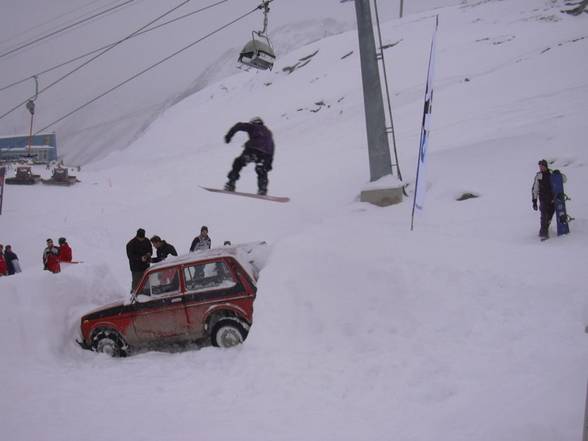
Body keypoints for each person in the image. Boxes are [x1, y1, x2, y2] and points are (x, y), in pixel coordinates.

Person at [224, 117, 275, 195]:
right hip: (266, 154)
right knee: (261, 169)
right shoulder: (269, 132)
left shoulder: (253, 126)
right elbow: (272, 147)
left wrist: (228, 136)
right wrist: (268, 164)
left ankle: (231, 184)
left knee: (238, 162)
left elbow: (238, 125)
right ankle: (262, 189)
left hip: (253, 149)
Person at [532, 159, 559, 239]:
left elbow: (563, 180)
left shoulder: (552, 174)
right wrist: (534, 201)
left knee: (549, 215)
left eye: (542, 166)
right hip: (543, 199)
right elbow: (535, 189)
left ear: (546, 166)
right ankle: (544, 234)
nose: (540, 168)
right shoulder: (538, 176)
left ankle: (543, 230)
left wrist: (558, 174)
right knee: (544, 215)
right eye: (539, 166)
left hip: (552, 199)